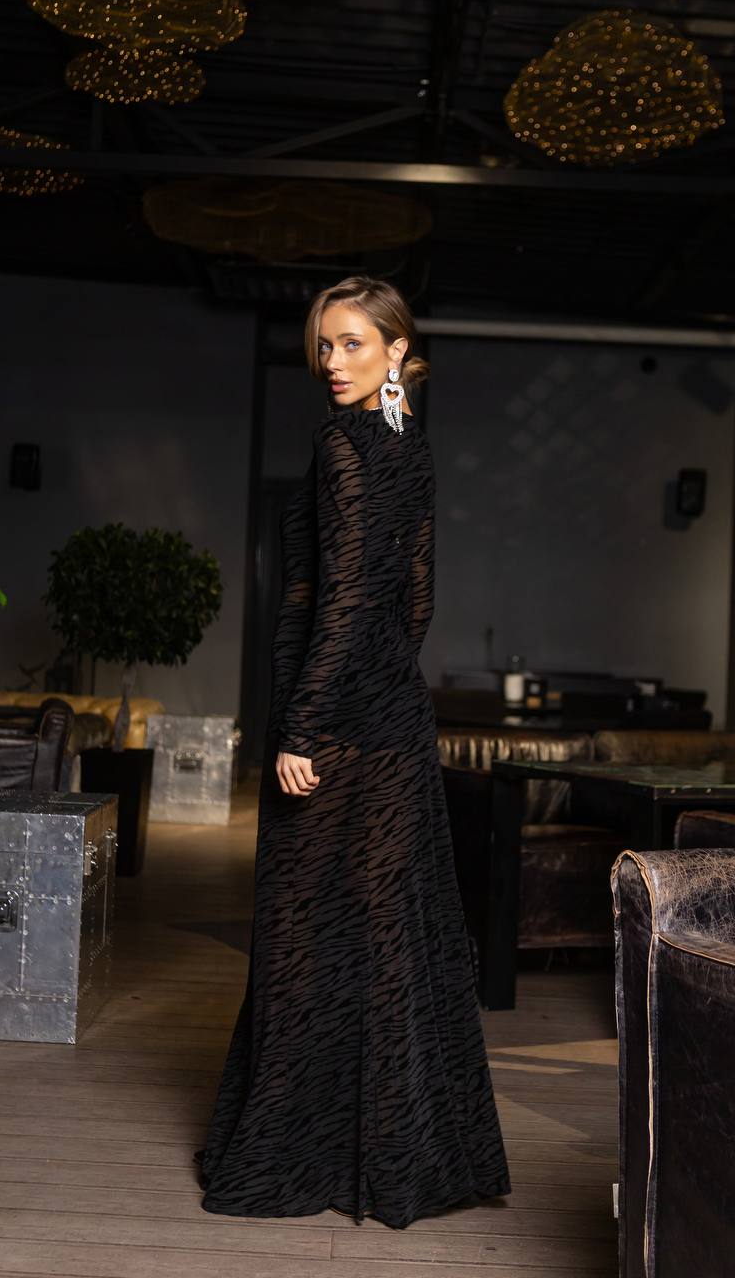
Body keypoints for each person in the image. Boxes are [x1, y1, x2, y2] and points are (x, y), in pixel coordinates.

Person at [194, 274, 510, 1229]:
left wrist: (302, 726)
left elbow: (341, 603)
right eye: (323, 344)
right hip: (392, 727)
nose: (332, 362)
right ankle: (402, 1163)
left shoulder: (344, 448)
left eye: (353, 344)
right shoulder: (407, 445)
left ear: (397, 352)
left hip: (333, 734)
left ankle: (297, 1158)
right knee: (387, 944)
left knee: (302, 946)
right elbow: (410, 603)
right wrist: (374, 698)